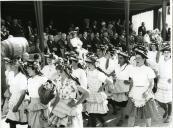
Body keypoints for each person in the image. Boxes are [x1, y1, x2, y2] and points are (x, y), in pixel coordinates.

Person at [49, 57, 89, 128]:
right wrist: (52, 109)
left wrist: (76, 103)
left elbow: (86, 93)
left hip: (69, 107)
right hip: (59, 107)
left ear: (66, 71)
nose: (59, 73)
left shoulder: (72, 82)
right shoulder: (58, 81)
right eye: (58, 71)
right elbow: (58, 96)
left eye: (60, 71)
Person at [127, 47, 158, 127]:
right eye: (135, 58)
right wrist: (129, 91)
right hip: (134, 92)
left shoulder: (148, 70)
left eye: (139, 58)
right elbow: (132, 82)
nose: (136, 60)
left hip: (145, 92)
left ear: (144, 59)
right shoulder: (133, 69)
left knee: (147, 115)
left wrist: (147, 92)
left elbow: (152, 84)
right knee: (131, 115)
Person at [85, 55, 112, 127]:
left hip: (96, 95)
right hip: (90, 94)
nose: (87, 64)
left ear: (94, 64)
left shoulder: (99, 73)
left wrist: (102, 87)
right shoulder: (87, 71)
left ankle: (100, 124)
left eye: (89, 63)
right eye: (87, 62)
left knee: (93, 113)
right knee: (92, 112)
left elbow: (110, 82)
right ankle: (104, 123)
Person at [110, 51, 132, 126]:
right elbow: (114, 73)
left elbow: (132, 78)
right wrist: (113, 77)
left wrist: (128, 84)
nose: (119, 59)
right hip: (117, 86)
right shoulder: (116, 65)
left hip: (125, 86)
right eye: (118, 58)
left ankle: (122, 119)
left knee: (123, 104)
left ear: (125, 59)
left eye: (121, 58)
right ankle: (126, 113)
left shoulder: (129, 66)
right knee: (117, 103)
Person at [5, 56, 28, 128]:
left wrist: (17, 105)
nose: (11, 66)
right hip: (12, 100)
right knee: (11, 122)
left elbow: (23, 93)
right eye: (11, 64)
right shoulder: (10, 74)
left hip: (20, 101)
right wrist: (9, 97)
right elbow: (8, 86)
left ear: (18, 65)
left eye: (13, 64)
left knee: (26, 121)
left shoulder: (22, 77)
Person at [26, 60, 48, 128]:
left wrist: (44, 111)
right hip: (32, 106)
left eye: (28, 68)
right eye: (27, 68)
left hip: (40, 107)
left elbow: (48, 95)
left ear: (34, 69)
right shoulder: (29, 80)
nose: (27, 70)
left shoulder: (43, 79)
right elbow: (30, 95)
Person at [155, 45, 172, 123]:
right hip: (161, 81)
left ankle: (169, 116)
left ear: (170, 54)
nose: (166, 54)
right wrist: (158, 79)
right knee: (159, 100)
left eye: (168, 52)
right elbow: (158, 71)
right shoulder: (161, 61)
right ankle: (166, 110)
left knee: (169, 100)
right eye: (165, 52)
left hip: (169, 82)